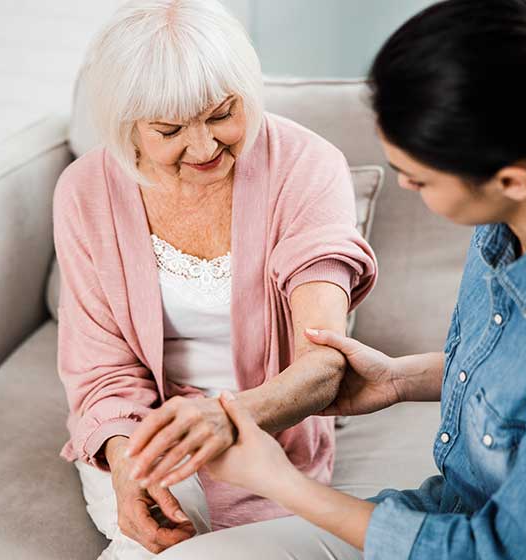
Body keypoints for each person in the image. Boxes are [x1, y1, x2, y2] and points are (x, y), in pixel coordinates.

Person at [157, 0, 526, 558]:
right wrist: (398, 379)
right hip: (443, 516)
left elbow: (503, 551)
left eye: (417, 178)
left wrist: (280, 482)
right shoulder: (523, 215)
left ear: (510, 179)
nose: (406, 189)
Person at [51, 0, 377, 557]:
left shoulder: (306, 166)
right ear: (126, 124)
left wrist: (221, 420)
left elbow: (323, 362)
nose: (203, 147)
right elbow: (101, 367)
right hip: (140, 426)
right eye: (170, 129)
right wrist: (128, 461)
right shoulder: (85, 191)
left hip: (272, 427)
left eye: (223, 114)